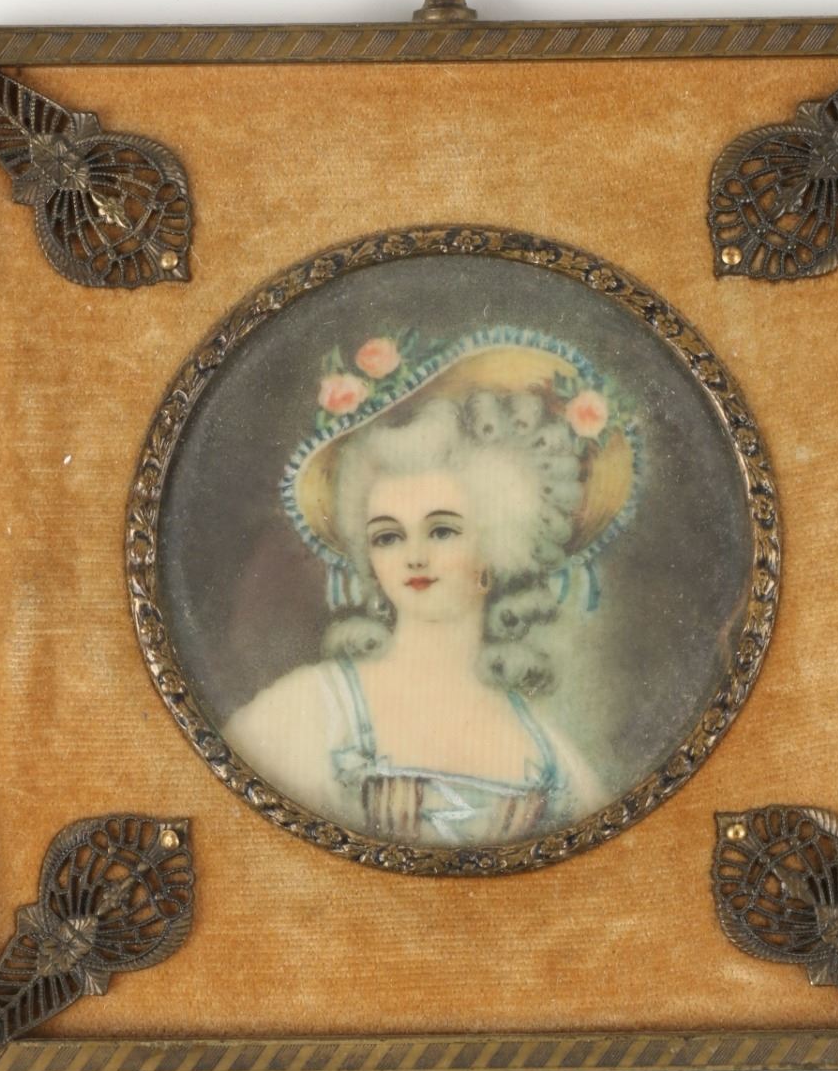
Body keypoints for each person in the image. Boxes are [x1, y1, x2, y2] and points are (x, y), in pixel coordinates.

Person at [224, 326, 639, 847]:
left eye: (442, 530)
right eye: (388, 536)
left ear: (495, 550)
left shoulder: (550, 757)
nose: (413, 555)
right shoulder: (308, 710)